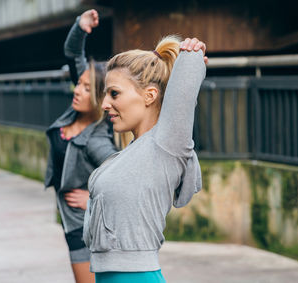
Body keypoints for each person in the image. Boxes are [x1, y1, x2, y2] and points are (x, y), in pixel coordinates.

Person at [83, 37, 208, 282]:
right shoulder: (128, 155)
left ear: (149, 95)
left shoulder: (165, 145)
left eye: (114, 93)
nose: (105, 103)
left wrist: (191, 55)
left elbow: (183, 91)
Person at [44, 9, 118, 283]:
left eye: (87, 88)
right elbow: (73, 52)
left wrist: (93, 202)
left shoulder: (97, 140)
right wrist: (81, 25)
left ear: (100, 98)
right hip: (71, 220)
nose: (77, 90)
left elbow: (124, 179)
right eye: (79, 84)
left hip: (84, 227)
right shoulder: (74, 113)